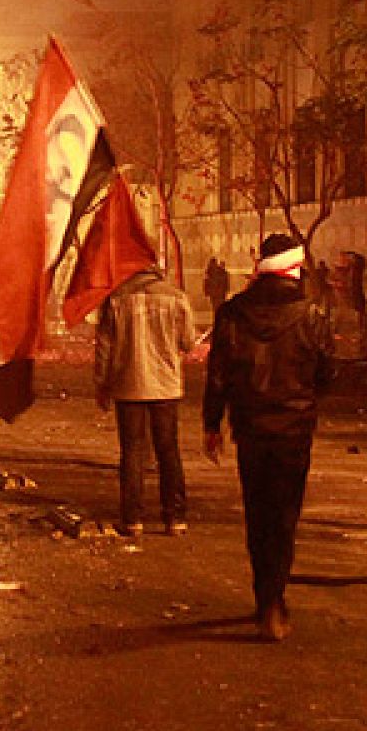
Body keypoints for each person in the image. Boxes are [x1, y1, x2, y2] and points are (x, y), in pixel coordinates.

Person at [203, 232, 335, 642]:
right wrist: (306, 398)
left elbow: (218, 374)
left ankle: (265, 598)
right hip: (295, 429)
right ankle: (276, 597)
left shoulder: (233, 312)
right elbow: (327, 373)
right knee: (284, 516)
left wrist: (212, 424)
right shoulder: (313, 313)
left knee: (257, 514)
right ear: (295, 268)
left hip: (251, 427)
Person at [94, 267, 197, 537]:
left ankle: (132, 519)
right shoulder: (176, 297)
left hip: (128, 384)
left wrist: (102, 385)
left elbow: (104, 346)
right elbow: (187, 342)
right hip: (165, 386)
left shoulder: (117, 299)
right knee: (168, 451)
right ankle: (175, 518)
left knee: (132, 451)